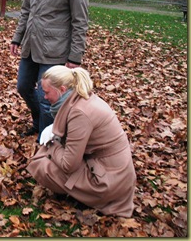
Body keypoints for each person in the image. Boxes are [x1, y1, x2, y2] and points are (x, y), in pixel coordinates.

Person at [26, 66, 136, 217]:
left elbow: (68, 165)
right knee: (46, 152)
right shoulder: (81, 97)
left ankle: (90, 197)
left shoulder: (79, 112)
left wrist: (52, 145)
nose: (44, 97)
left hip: (108, 180)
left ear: (62, 89)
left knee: (41, 163)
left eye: (46, 92)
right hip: (113, 169)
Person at [10, 0, 89, 139]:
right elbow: (26, 9)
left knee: (47, 99)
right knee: (23, 86)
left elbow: (80, 22)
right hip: (31, 45)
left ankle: (46, 142)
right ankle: (40, 125)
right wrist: (17, 38)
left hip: (55, 50)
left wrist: (75, 57)